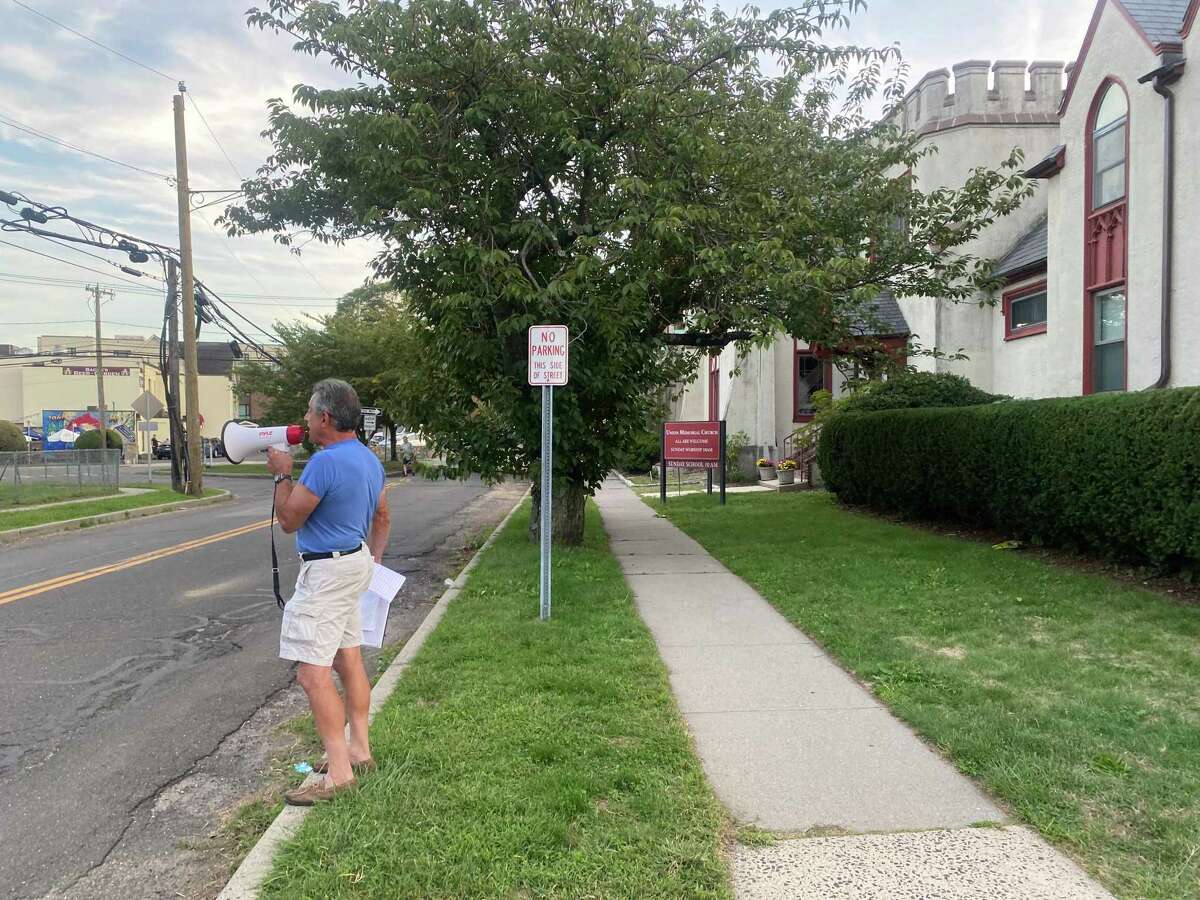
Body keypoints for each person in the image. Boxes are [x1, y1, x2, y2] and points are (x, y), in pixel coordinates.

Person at [266, 378, 391, 805]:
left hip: (327, 572)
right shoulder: (370, 461)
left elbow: (289, 520)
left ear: (324, 417)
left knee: (312, 673)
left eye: (308, 411)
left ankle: (338, 774)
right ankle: (358, 748)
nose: (303, 418)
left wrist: (283, 473)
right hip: (354, 562)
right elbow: (383, 517)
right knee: (347, 657)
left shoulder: (324, 462)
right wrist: (372, 562)